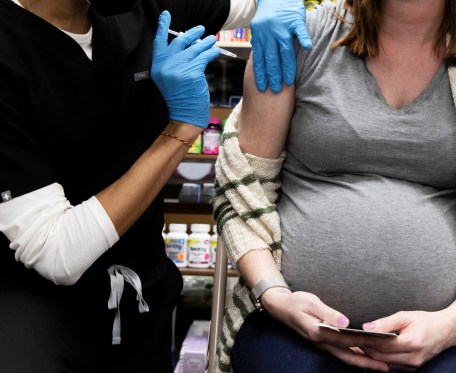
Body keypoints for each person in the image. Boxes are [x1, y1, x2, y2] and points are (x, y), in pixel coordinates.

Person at [212, 0, 456, 372]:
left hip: (447, 336)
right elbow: (242, 190)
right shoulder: (296, 40)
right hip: (286, 326)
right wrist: (272, 294)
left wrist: (448, 327)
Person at [0, 0, 311, 371]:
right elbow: (55, 250)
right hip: (37, 310)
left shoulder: (148, 6)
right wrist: (178, 132)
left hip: (141, 293)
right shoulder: (9, 53)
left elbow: (255, 4)